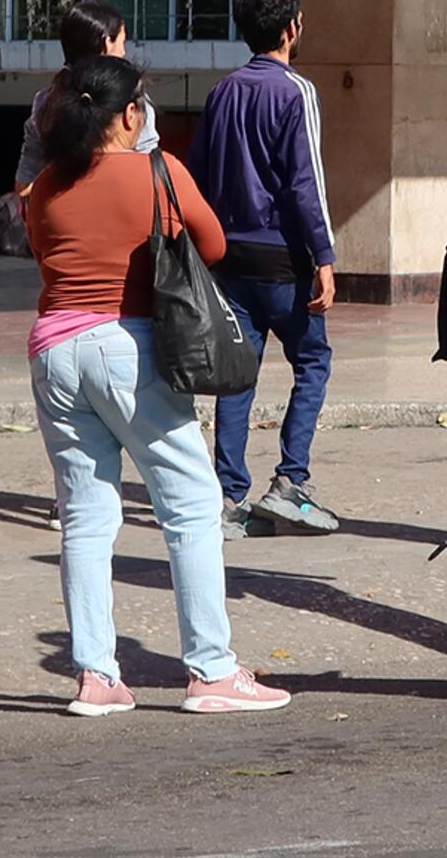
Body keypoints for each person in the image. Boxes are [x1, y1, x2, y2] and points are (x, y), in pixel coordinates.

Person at [25, 54, 290, 716]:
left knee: (86, 517)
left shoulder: (48, 185)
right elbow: (216, 244)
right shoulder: (157, 171)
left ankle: (97, 677)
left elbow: (43, 253)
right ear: (131, 115)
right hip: (128, 345)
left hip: (53, 350)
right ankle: (211, 671)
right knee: (193, 506)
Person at [188, 0, 339, 540]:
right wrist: (323, 255)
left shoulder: (222, 92)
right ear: (291, 27)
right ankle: (290, 481)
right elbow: (307, 184)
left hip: (230, 257)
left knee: (237, 375)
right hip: (283, 257)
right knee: (313, 362)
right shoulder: (295, 91)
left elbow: (198, 176)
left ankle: (229, 498)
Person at [15, 0, 158, 193]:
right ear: (107, 43)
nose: (124, 52)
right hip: (119, 208)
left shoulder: (46, 101)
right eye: (122, 42)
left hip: (59, 212)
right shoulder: (131, 98)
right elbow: (150, 167)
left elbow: (24, 184)